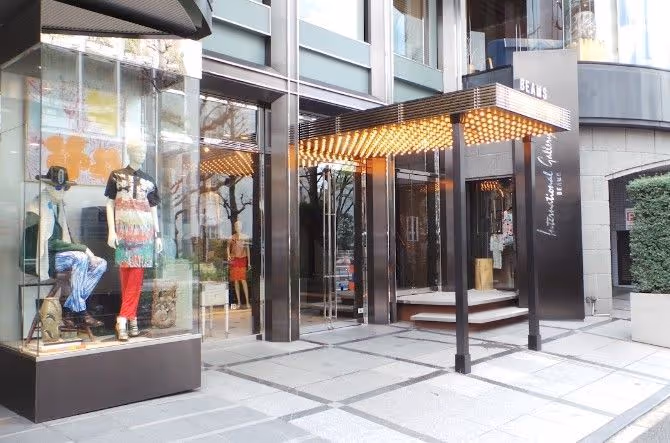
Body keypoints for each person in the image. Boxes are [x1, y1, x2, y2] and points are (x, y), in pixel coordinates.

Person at [22, 166, 107, 328]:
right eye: (57, 187)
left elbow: (66, 237)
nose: (61, 191)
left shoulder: (59, 207)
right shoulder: (36, 208)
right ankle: (81, 312)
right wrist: (83, 249)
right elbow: (49, 243)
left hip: (59, 256)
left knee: (101, 264)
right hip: (42, 257)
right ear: (48, 186)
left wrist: (82, 250)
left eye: (64, 188)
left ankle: (69, 307)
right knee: (80, 257)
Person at [105, 141, 162, 341]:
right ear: (130, 151)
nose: (142, 154)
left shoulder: (149, 180)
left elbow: (153, 209)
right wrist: (111, 231)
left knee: (136, 277)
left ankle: (122, 319)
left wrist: (157, 235)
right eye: (138, 150)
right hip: (123, 233)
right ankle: (133, 317)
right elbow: (110, 203)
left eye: (144, 151)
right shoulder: (116, 175)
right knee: (126, 277)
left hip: (144, 234)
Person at [227, 220, 250, 309]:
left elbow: (248, 250)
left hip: (242, 259)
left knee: (243, 280)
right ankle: (239, 303)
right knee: (236, 281)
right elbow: (228, 247)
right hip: (234, 259)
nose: (238, 228)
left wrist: (249, 262)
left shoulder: (245, 237)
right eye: (236, 226)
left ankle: (247, 302)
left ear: (241, 227)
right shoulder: (232, 237)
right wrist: (228, 255)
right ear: (234, 227)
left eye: (239, 226)